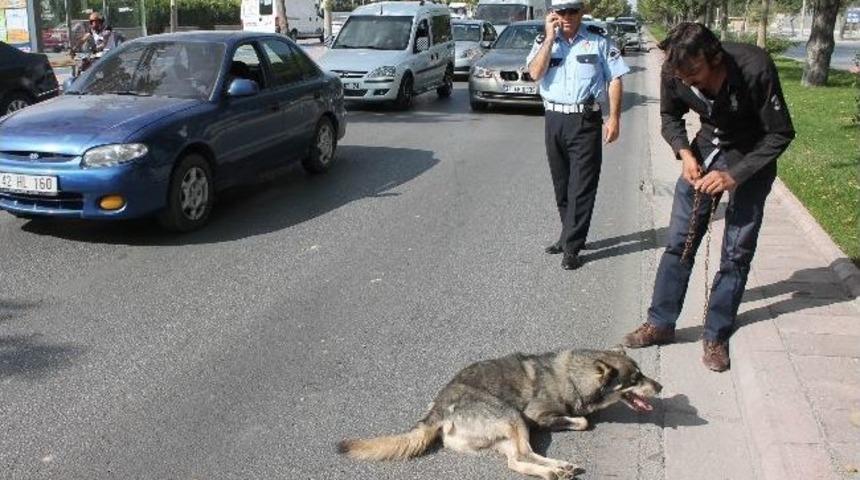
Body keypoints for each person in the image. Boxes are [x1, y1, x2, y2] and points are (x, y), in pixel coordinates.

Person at [621, 23, 795, 372]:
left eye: (695, 73)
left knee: (736, 251)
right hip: (707, 148)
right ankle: (661, 322)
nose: (688, 82)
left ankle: (716, 334)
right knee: (680, 241)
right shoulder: (676, 69)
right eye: (681, 76)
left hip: (752, 156)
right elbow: (670, 116)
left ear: (715, 57)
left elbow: (780, 134)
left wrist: (734, 176)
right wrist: (684, 152)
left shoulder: (753, 66)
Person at [527, 0, 629, 270]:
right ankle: (567, 235)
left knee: (582, 186)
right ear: (553, 14)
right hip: (554, 119)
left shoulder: (598, 40)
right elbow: (535, 73)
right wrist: (549, 39)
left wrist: (614, 118)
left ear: (581, 12)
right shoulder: (545, 41)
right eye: (561, 12)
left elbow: (615, 78)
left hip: (585, 119)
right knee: (561, 184)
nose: (567, 17)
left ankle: (572, 247)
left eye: (573, 11)